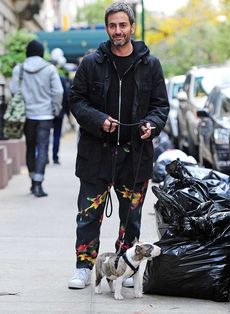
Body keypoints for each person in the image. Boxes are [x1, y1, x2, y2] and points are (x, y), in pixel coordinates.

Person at [68, 2, 169, 289]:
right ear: (107, 28)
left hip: (135, 155)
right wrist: (98, 120)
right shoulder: (91, 63)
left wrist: (152, 124)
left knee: (131, 216)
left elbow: (160, 105)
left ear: (132, 27)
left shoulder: (150, 64)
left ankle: (125, 265)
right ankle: (83, 267)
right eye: (112, 25)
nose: (117, 31)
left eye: (122, 25)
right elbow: (76, 100)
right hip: (95, 154)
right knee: (88, 215)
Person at [10, 40, 63, 197]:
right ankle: (39, 184)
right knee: (42, 148)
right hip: (45, 115)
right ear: (41, 53)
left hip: (26, 115)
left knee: (30, 147)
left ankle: (33, 181)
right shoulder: (50, 69)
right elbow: (58, 91)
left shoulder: (19, 69)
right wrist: (55, 108)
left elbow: (14, 90)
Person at [50, 48, 71, 165]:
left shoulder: (44, 78)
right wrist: (67, 112)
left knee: (44, 135)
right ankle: (55, 157)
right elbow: (65, 96)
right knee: (56, 134)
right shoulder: (61, 78)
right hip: (59, 111)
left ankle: (43, 157)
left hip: (46, 111)